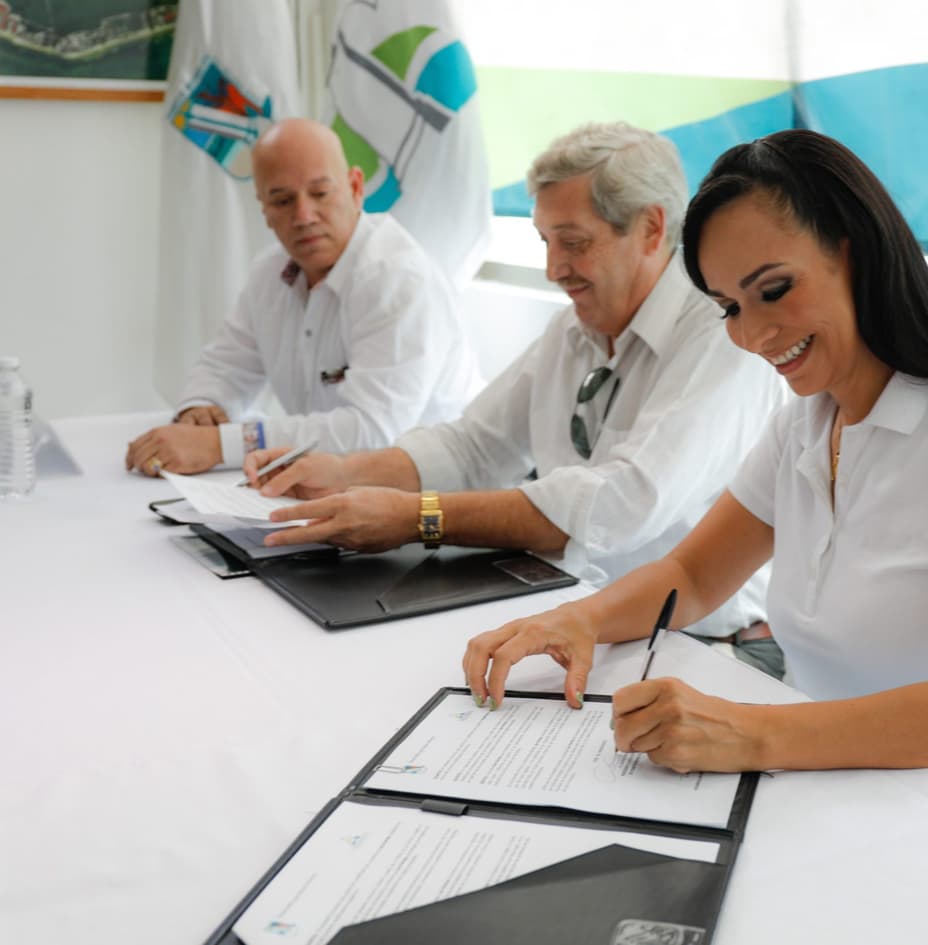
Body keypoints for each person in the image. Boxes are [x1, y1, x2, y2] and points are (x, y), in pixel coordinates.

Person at [461, 130, 928, 857]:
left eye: (773, 290)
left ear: (855, 249)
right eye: (730, 307)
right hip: (857, 815)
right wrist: (577, 620)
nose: (754, 334)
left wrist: (749, 730)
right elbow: (692, 574)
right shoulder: (808, 422)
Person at [246, 122, 789, 677]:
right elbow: (472, 446)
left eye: (574, 243)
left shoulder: (720, 333)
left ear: (651, 229)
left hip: (712, 650)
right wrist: (343, 473)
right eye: (546, 243)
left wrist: (418, 517)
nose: (554, 270)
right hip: (590, 624)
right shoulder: (571, 331)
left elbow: (620, 505)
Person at [125, 118, 481, 478]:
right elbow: (224, 367)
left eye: (320, 193)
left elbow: (371, 433)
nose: (303, 216)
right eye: (282, 200)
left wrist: (220, 445)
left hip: (434, 504)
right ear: (264, 209)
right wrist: (200, 411)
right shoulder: (270, 272)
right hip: (336, 490)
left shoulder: (398, 277)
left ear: (356, 188)